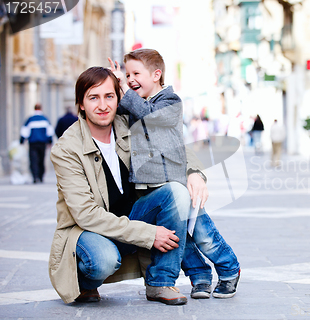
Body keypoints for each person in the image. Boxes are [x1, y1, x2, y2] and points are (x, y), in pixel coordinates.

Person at [49, 67, 204, 305]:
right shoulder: (66, 149)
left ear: (118, 97)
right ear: (80, 103)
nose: (103, 105)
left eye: (109, 96)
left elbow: (171, 140)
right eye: (93, 97)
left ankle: (161, 282)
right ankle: (84, 282)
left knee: (176, 193)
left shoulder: (127, 124)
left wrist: (193, 171)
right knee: (102, 260)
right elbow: (86, 215)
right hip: (86, 230)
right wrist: (149, 234)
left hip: (130, 217)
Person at [109, 49, 240, 299]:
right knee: (178, 238)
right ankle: (200, 276)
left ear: (157, 74)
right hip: (152, 189)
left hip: (177, 184)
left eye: (136, 73)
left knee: (202, 233)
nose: (130, 79)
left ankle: (229, 268)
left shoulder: (170, 102)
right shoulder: (135, 104)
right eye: (127, 74)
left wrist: (123, 88)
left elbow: (148, 115)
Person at [20, 103, 54, 183]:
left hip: (33, 143)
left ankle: (35, 176)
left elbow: (24, 131)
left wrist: (22, 140)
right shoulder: (45, 119)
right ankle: (41, 176)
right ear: (41, 109)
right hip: (42, 143)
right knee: (41, 159)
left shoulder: (30, 119)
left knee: (33, 159)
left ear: (34, 109)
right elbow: (49, 131)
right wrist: (50, 141)